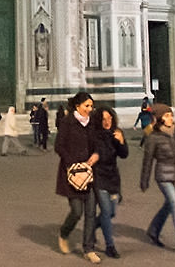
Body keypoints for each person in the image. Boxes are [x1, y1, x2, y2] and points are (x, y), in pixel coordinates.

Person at [139, 103, 175, 258]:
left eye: (171, 115)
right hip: (163, 176)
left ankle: (153, 231)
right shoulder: (153, 137)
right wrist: (144, 181)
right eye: (166, 116)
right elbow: (148, 161)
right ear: (159, 119)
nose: (170, 118)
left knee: (169, 206)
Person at [55, 91, 99, 261]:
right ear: (77, 106)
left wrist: (96, 154)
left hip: (89, 173)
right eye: (87, 106)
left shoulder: (92, 123)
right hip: (71, 174)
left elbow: (97, 144)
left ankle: (89, 249)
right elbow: (59, 146)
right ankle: (64, 233)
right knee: (76, 211)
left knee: (90, 212)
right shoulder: (67, 122)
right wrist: (72, 163)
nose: (90, 109)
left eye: (91, 106)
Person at [90, 105, 128, 259]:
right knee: (106, 211)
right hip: (99, 177)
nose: (107, 121)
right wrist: (96, 156)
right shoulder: (94, 135)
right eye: (104, 119)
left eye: (110, 118)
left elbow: (124, 155)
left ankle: (90, 228)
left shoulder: (117, 133)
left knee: (111, 212)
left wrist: (121, 142)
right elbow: (99, 154)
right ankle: (110, 246)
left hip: (113, 178)